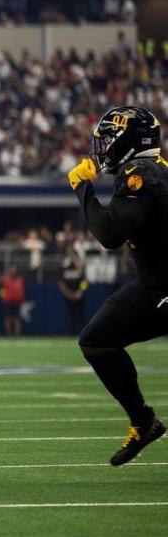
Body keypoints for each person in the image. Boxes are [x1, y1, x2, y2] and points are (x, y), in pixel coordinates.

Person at [68, 105, 168, 466]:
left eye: (109, 139)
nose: (102, 147)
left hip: (164, 287)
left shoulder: (141, 173)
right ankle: (143, 422)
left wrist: (82, 188)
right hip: (156, 285)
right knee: (96, 341)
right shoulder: (153, 169)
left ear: (128, 140)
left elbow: (109, 233)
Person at [58, 254, 88, 336]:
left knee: (80, 316)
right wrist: (68, 294)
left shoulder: (79, 272)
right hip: (69, 297)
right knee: (70, 316)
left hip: (79, 296)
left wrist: (80, 292)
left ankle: (82, 333)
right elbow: (61, 284)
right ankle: (70, 333)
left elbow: (84, 282)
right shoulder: (65, 272)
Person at [0, 265, 24, 337]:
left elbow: (21, 290)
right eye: (11, 269)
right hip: (7, 301)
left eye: (14, 268)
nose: (13, 270)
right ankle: (8, 334)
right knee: (7, 318)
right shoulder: (5, 279)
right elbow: (1, 290)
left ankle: (17, 334)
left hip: (17, 301)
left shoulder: (20, 279)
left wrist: (22, 298)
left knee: (17, 318)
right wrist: (2, 298)